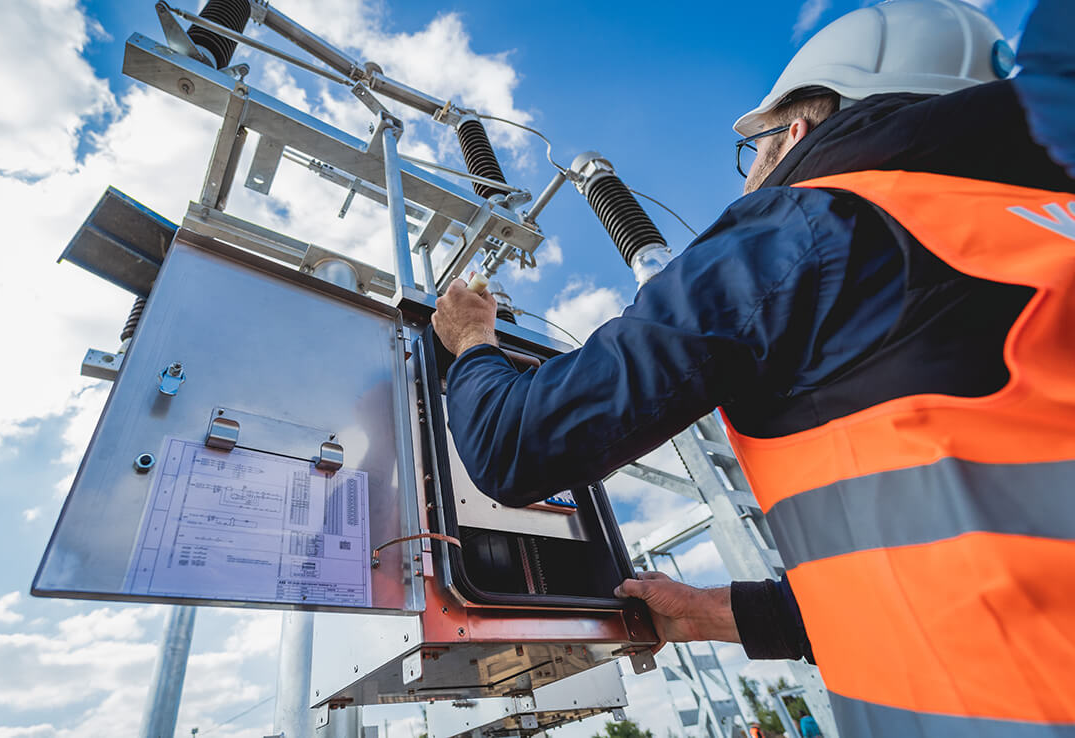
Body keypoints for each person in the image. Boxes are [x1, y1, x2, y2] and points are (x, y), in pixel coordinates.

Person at [430, 1, 1075, 736]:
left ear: (797, 129)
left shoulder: (808, 222)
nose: (749, 180)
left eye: (756, 148)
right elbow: (980, 553)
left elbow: (514, 444)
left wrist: (473, 343)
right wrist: (712, 612)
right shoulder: (1037, 231)